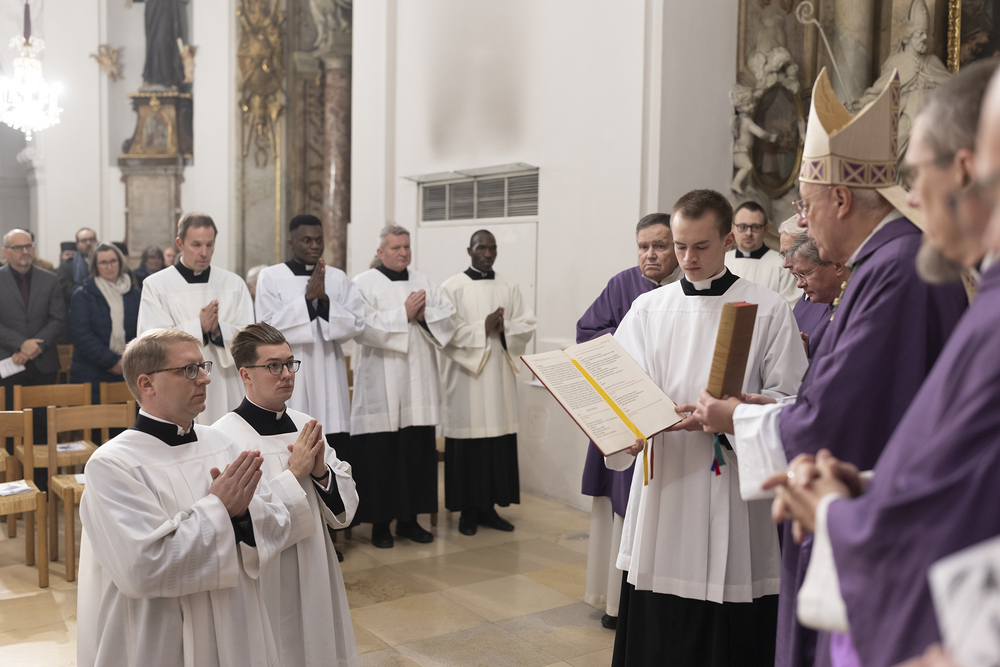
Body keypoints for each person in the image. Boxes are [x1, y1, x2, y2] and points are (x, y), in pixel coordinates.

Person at [691, 68, 969, 667]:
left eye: (806, 204)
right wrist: (776, 408)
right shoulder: (886, 262)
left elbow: (839, 424)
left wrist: (735, 418)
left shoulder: (895, 269)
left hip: (869, 522)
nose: (803, 219)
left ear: (840, 199)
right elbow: (856, 392)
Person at [756, 57, 1000, 667]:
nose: (909, 197)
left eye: (914, 174)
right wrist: (867, 486)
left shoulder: (910, 273)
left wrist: (838, 515)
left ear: (966, 171)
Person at [608, 190, 809, 667]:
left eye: (700, 246)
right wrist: (627, 429)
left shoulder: (766, 307)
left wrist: (734, 416)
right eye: (680, 246)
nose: (688, 258)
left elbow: (792, 399)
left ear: (727, 241)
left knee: (729, 602)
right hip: (664, 478)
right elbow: (620, 391)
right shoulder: (648, 308)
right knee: (659, 606)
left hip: (731, 479)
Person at [77, 328, 318, 667]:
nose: (205, 378)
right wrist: (221, 509)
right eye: (189, 370)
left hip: (236, 618)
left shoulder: (220, 443)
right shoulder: (112, 464)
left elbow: (276, 521)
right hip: (162, 631)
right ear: (147, 384)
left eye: (203, 367)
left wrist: (243, 516)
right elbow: (142, 567)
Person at [213, 322, 360, 667]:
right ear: (246, 374)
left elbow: (344, 509)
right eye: (273, 366)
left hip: (314, 561)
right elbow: (239, 519)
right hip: (265, 572)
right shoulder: (223, 437)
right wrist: (294, 474)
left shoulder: (306, 424)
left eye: (290, 363)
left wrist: (321, 472)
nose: (286, 374)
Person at [576, 212, 682, 629]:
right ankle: (616, 603)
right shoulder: (622, 284)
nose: (650, 254)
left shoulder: (690, 292)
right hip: (625, 413)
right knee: (621, 512)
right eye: (643, 246)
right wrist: (626, 345)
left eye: (660, 245)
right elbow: (588, 332)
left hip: (671, 420)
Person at [350, 223, 457, 548]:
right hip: (381, 383)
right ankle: (381, 525)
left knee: (415, 453)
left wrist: (424, 316)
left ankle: (409, 521)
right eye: (396, 247)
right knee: (381, 455)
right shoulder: (362, 283)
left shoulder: (423, 282)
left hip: (417, 385)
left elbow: (449, 318)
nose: (403, 253)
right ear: (380, 251)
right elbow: (360, 326)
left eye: (407, 247)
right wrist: (403, 314)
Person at [439, 230, 536, 536]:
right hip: (466, 379)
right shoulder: (451, 287)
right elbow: (444, 332)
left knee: (496, 442)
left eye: (492, 248)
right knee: (469, 443)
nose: (488, 253)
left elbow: (527, 325)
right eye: (482, 248)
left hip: (498, 379)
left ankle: (489, 508)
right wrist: (481, 327)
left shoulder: (509, 285)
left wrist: (505, 327)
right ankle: (467, 511)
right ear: (470, 250)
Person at [254, 214, 364, 458]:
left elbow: (356, 324)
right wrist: (306, 300)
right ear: (291, 243)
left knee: (334, 440)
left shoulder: (337, 278)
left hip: (329, 366)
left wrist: (324, 302)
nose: (315, 245)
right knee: (296, 432)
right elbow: (266, 327)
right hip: (292, 367)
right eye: (306, 240)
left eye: (319, 240)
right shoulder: (271, 277)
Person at [138, 213, 255, 424]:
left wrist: (218, 331)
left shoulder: (233, 284)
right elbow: (151, 341)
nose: (204, 252)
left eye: (210, 245)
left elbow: (250, 338)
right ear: (179, 244)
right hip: (178, 384)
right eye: (196, 245)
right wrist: (198, 327)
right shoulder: (156, 285)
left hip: (226, 382)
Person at [67, 243, 141, 404]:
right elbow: (82, 335)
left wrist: (127, 362)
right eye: (103, 262)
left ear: (120, 262)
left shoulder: (134, 294)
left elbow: (141, 330)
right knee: (95, 419)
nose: (109, 266)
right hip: (91, 372)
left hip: (128, 370)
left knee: (128, 417)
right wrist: (112, 362)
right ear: (95, 266)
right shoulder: (83, 295)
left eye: (113, 261)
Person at [0, 229, 64, 412]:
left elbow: (58, 319)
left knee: (43, 421)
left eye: (28, 246)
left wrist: (34, 347)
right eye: (18, 247)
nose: (25, 251)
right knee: (11, 422)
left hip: (44, 363)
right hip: (8, 361)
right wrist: (21, 344)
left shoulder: (50, 279)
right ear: (5, 252)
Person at [725, 200, 801, 307]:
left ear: (765, 230)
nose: (748, 233)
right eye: (742, 227)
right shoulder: (723, 261)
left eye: (755, 227)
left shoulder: (782, 264)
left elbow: (790, 305)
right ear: (732, 228)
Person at [784, 234, 849, 359]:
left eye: (804, 274)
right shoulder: (831, 301)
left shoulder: (855, 306)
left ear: (837, 265)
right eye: (797, 276)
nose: (799, 284)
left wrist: (803, 360)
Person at [57, 227, 98, 304]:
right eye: (84, 240)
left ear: (96, 242)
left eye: (91, 239)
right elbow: (64, 287)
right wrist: (88, 292)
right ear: (77, 245)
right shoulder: (67, 264)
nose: (88, 243)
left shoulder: (104, 262)